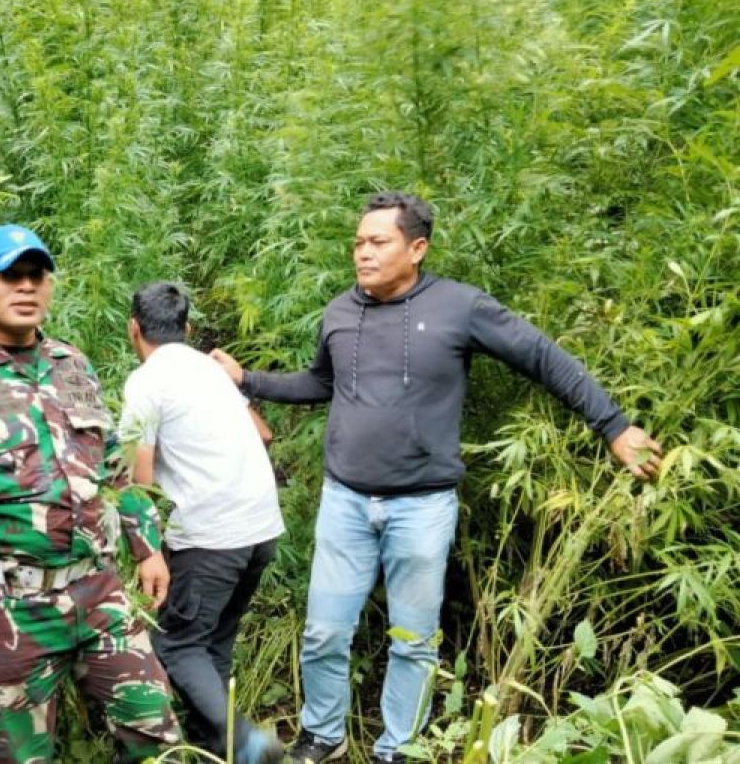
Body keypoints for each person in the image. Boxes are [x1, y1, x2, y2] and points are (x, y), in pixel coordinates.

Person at [210, 191, 662, 764]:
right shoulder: (338, 312)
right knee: (324, 631)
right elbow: (320, 384)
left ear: (417, 248)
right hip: (345, 501)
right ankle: (323, 737)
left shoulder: (460, 307)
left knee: (414, 641)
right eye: (357, 243)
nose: (362, 254)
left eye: (378, 242)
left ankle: (397, 749)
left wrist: (614, 426)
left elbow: (543, 357)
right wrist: (247, 379)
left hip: (422, 507)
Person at [0, 224, 181, 763]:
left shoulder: (73, 365)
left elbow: (112, 467)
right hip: (6, 611)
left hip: (99, 595)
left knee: (156, 734)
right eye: (9, 275)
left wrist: (147, 544)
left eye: (36, 274)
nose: (26, 287)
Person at [118, 282, 285, 764]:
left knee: (177, 646)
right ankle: (216, 749)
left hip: (211, 536)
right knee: (213, 648)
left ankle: (249, 746)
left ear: (135, 329)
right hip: (261, 529)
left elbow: (139, 480)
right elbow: (264, 433)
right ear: (187, 329)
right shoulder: (210, 371)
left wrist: (146, 549)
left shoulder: (146, 382)